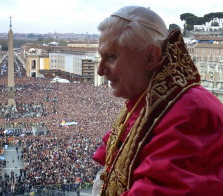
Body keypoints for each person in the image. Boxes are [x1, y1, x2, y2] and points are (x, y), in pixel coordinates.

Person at [92, 6, 223, 196]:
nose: (100, 70)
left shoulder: (190, 115)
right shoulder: (147, 100)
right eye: (101, 58)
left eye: (111, 57)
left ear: (150, 57)